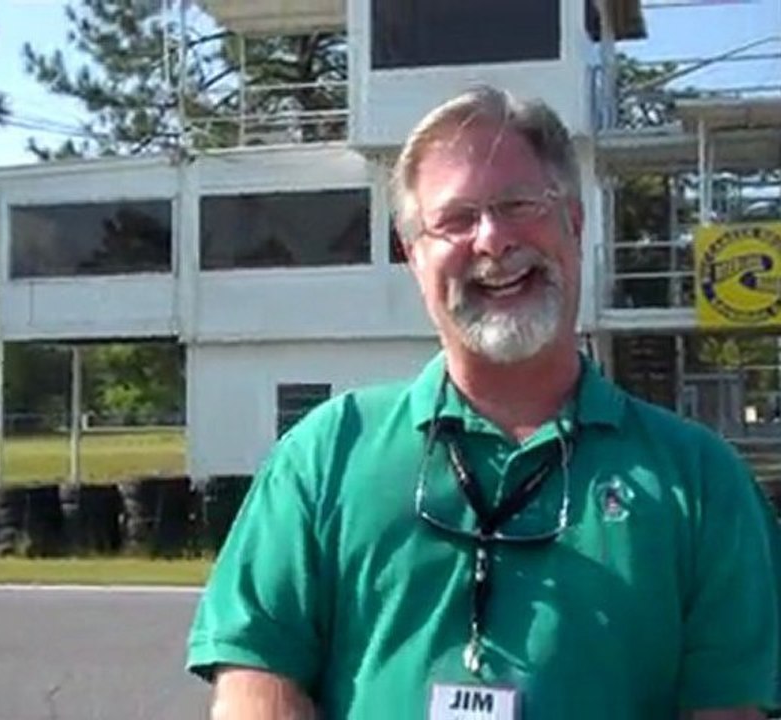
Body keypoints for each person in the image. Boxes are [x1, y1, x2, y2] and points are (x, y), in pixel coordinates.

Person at [185, 85, 780, 720]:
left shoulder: (701, 482)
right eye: (456, 220)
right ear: (413, 256)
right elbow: (256, 680)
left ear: (573, 224)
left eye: (519, 204)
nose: (492, 240)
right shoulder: (323, 457)